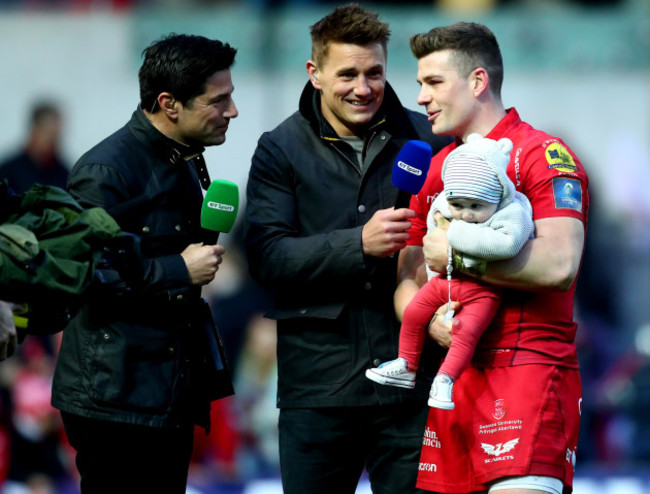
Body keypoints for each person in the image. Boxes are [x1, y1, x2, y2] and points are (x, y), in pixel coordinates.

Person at [244, 4, 451, 493]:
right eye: (348, 74)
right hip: (317, 392)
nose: (363, 88)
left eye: (374, 72)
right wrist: (356, 244)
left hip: (412, 389)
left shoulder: (427, 138)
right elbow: (267, 258)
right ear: (314, 73)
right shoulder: (279, 149)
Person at [394, 22, 589, 494]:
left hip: (529, 373)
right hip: (455, 382)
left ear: (478, 81)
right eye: (420, 83)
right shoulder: (434, 168)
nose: (421, 97)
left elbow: (560, 266)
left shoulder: (542, 154)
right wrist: (428, 318)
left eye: (434, 82)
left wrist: (461, 257)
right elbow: (406, 277)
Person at [50, 33, 239, 494]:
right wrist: (181, 269)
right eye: (219, 100)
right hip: (115, 401)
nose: (232, 111)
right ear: (169, 103)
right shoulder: (106, 172)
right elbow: (84, 273)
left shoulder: (183, 158)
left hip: (166, 392)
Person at [366, 133, 534, 410]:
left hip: (484, 291)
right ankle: (406, 363)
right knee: (414, 312)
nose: (466, 214)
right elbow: (434, 249)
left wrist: (454, 234)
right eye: (458, 206)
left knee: (463, 334)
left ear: (497, 196)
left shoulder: (511, 212)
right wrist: (437, 280)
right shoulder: (445, 205)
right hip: (446, 282)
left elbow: (505, 245)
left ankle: (445, 381)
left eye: (476, 207)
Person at [0, 100, 68, 194]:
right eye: (49, 134)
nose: (54, 142)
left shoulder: (65, 176)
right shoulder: (8, 173)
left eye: (57, 136)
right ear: (34, 131)